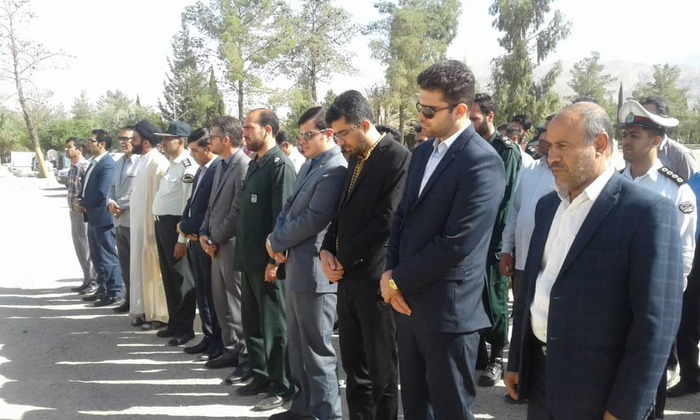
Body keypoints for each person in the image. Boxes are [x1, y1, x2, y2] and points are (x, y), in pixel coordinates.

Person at [505, 102, 684, 419]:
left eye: (563, 146)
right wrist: (518, 360)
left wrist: (625, 408)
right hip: (543, 381)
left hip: (602, 391)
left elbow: (655, 326)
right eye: (549, 146)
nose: (551, 157)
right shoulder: (548, 206)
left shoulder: (646, 213)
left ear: (600, 144)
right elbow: (533, 290)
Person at [380, 61, 505, 420]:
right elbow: (402, 217)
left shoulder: (482, 162)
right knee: (416, 409)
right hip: (407, 306)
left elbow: (457, 242)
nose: (420, 116)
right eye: (419, 106)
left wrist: (397, 280)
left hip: (448, 313)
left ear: (460, 110)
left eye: (429, 110)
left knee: (450, 411)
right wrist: (390, 272)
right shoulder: (422, 153)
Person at [320, 90, 411, 420]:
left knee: (381, 372)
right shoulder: (356, 158)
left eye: (343, 133)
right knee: (354, 370)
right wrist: (326, 249)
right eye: (335, 135)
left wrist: (342, 258)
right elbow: (341, 212)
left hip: (376, 282)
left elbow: (385, 220)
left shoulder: (397, 158)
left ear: (365, 125)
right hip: (347, 281)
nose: (339, 142)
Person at [266, 107, 347, 420]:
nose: (302, 141)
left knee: (317, 351)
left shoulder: (335, 169)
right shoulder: (312, 164)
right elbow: (289, 207)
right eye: (300, 136)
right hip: (296, 267)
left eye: (308, 135)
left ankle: (327, 414)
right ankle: (302, 408)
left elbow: (315, 218)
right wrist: (276, 238)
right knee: (298, 347)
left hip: (316, 272)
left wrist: (278, 241)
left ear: (328, 133)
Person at [617, 99, 697, 417]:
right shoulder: (612, 184)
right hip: (615, 299)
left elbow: (684, 253)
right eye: (625, 134)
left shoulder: (676, 191)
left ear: (655, 141)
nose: (626, 141)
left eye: (634, 135)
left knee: (650, 380)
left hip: (653, 302)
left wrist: (668, 303)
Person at [233, 108, 296, 411]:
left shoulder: (279, 166)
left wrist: (275, 262)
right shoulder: (256, 164)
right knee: (253, 324)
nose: (244, 133)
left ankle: (282, 386)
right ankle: (261, 375)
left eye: (248, 128)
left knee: (275, 327)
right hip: (249, 260)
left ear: (267, 130)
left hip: (269, 264)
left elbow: (281, 218)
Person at [468, 93, 521, 387]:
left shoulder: (506, 151)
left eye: (475, 118)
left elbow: (505, 199)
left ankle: (496, 357)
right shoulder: (469, 145)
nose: (470, 123)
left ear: (490, 116)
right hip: (471, 240)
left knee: (495, 300)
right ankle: (477, 352)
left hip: (494, 240)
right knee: (473, 297)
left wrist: (502, 245)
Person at [198, 117, 250, 373]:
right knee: (221, 302)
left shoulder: (243, 166)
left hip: (231, 245)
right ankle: (230, 349)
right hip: (215, 244)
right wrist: (203, 232)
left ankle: (245, 355)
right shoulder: (220, 165)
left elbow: (237, 211)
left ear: (226, 139)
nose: (210, 142)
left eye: (213, 137)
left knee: (236, 303)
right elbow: (212, 206)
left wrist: (214, 238)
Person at [500, 116, 555, 318]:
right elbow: (515, 212)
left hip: (548, 267)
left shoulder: (565, 175)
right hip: (521, 263)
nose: (542, 137)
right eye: (542, 131)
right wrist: (506, 249)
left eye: (548, 132)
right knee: (521, 317)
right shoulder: (530, 169)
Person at [151, 121, 198, 345]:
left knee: (181, 278)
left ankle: (185, 328)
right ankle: (174, 322)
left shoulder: (188, 165)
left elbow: (187, 203)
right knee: (168, 277)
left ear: (181, 141)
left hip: (175, 226)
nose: (164, 142)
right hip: (162, 224)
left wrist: (182, 239)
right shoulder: (172, 164)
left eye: (168, 138)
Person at [178, 128, 222, 359]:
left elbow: (210, 209)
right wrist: (183, 224)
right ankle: (208, 336)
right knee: (202, 293)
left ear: (209, 147)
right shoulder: (201, 170)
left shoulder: (217, 169)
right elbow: (192, 202)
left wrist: (189, 227)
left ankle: (218, 341)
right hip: (195, 239)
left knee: (213, 295)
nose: (192, 155)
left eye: (195, 150)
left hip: (207, 241)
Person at [129, 120, 170, 329]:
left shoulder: (157, 162)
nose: (131, 142)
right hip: (138, 227)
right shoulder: (142, 161)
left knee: (154, 272)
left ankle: (159, 315)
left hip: (151, 228)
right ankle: (145, 310)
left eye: (134, 139)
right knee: (141, 270)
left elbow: (158, 200)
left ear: (145, 142)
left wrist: (153, 230)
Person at [75, 130, 123, 306]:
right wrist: (80, 200)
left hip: (103, 218)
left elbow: (102, 192)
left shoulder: (108, 164)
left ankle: (114, 291)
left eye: (91, 140)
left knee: (107, 256)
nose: (88, 143)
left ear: (102, 144)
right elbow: (88, 186)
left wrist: (83, 203)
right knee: (97, 256)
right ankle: (102, 288)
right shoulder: (94, 162)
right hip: (93, 217)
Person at [107, 127, 140, 313]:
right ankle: (128, 299)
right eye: (120, 138)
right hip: (118, 220)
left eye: (126, 138)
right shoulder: (119, 162)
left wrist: (119, 205)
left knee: (137, 266)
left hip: (132, 219)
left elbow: (138, 191)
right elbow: (111, 187)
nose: (123, 142)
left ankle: (138, 302)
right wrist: (110, 203)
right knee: (125, 264)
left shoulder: (140, 162)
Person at [64, 137, 96, 294]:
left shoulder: (85, 167)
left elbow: (89, 191)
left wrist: (82, 204)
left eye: (69, 147)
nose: (66, 150)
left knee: (86, 246)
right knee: (79, 246)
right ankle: (87, 279)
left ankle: (94, 281)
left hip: (83, 212)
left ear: (79, 150)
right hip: (73, 211)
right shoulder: (72, 168)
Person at [640, 96, 697, 181]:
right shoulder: (634, 152)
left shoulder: (681, 155)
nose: (642, 122)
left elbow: (692, 187)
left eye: (648, 117)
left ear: (662, 120)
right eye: (641, 117)